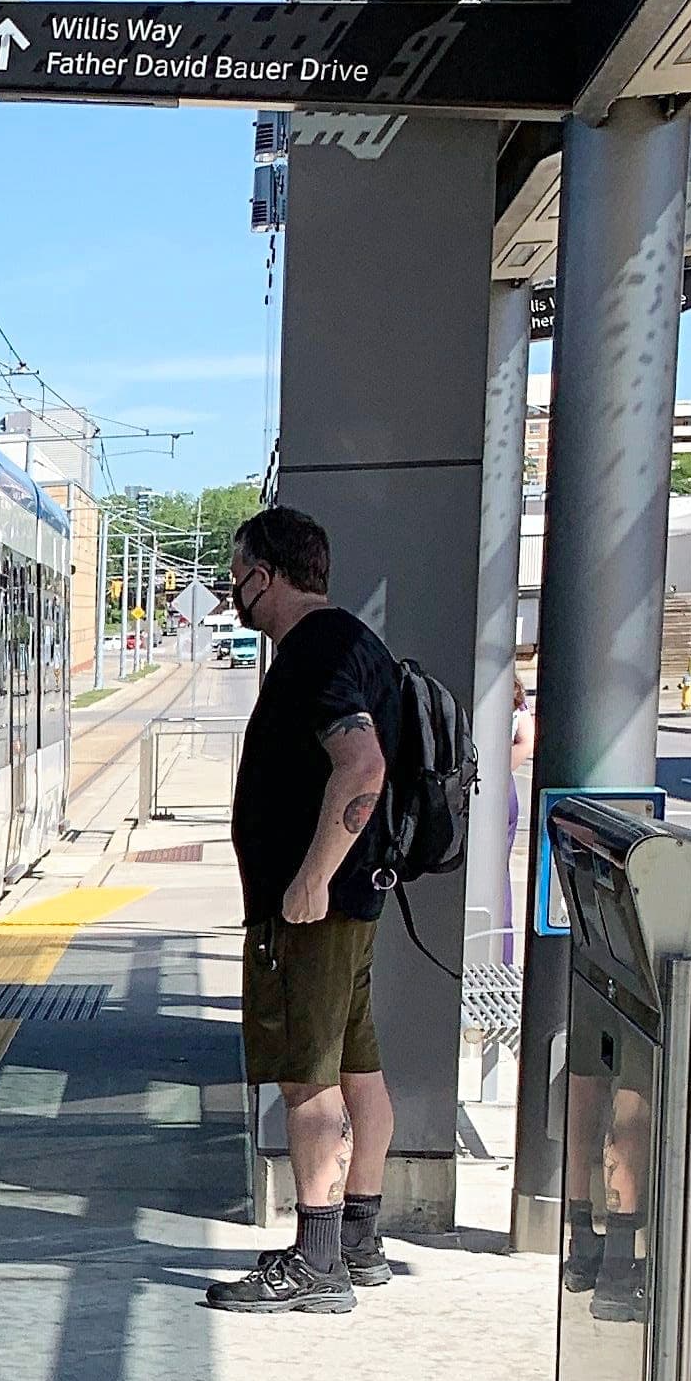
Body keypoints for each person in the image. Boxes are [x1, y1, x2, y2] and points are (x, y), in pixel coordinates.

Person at [209, 503, 404, 1316]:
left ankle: (316, 1257)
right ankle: (357, 1236)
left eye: (239, 573)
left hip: (315, 913)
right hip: (355, 907)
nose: (234, 591)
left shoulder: (313, 654)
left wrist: (310, 876)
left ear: (269, 573)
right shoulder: (358, 641)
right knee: (359, 1068)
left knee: (305, 1081)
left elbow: (360, 766)